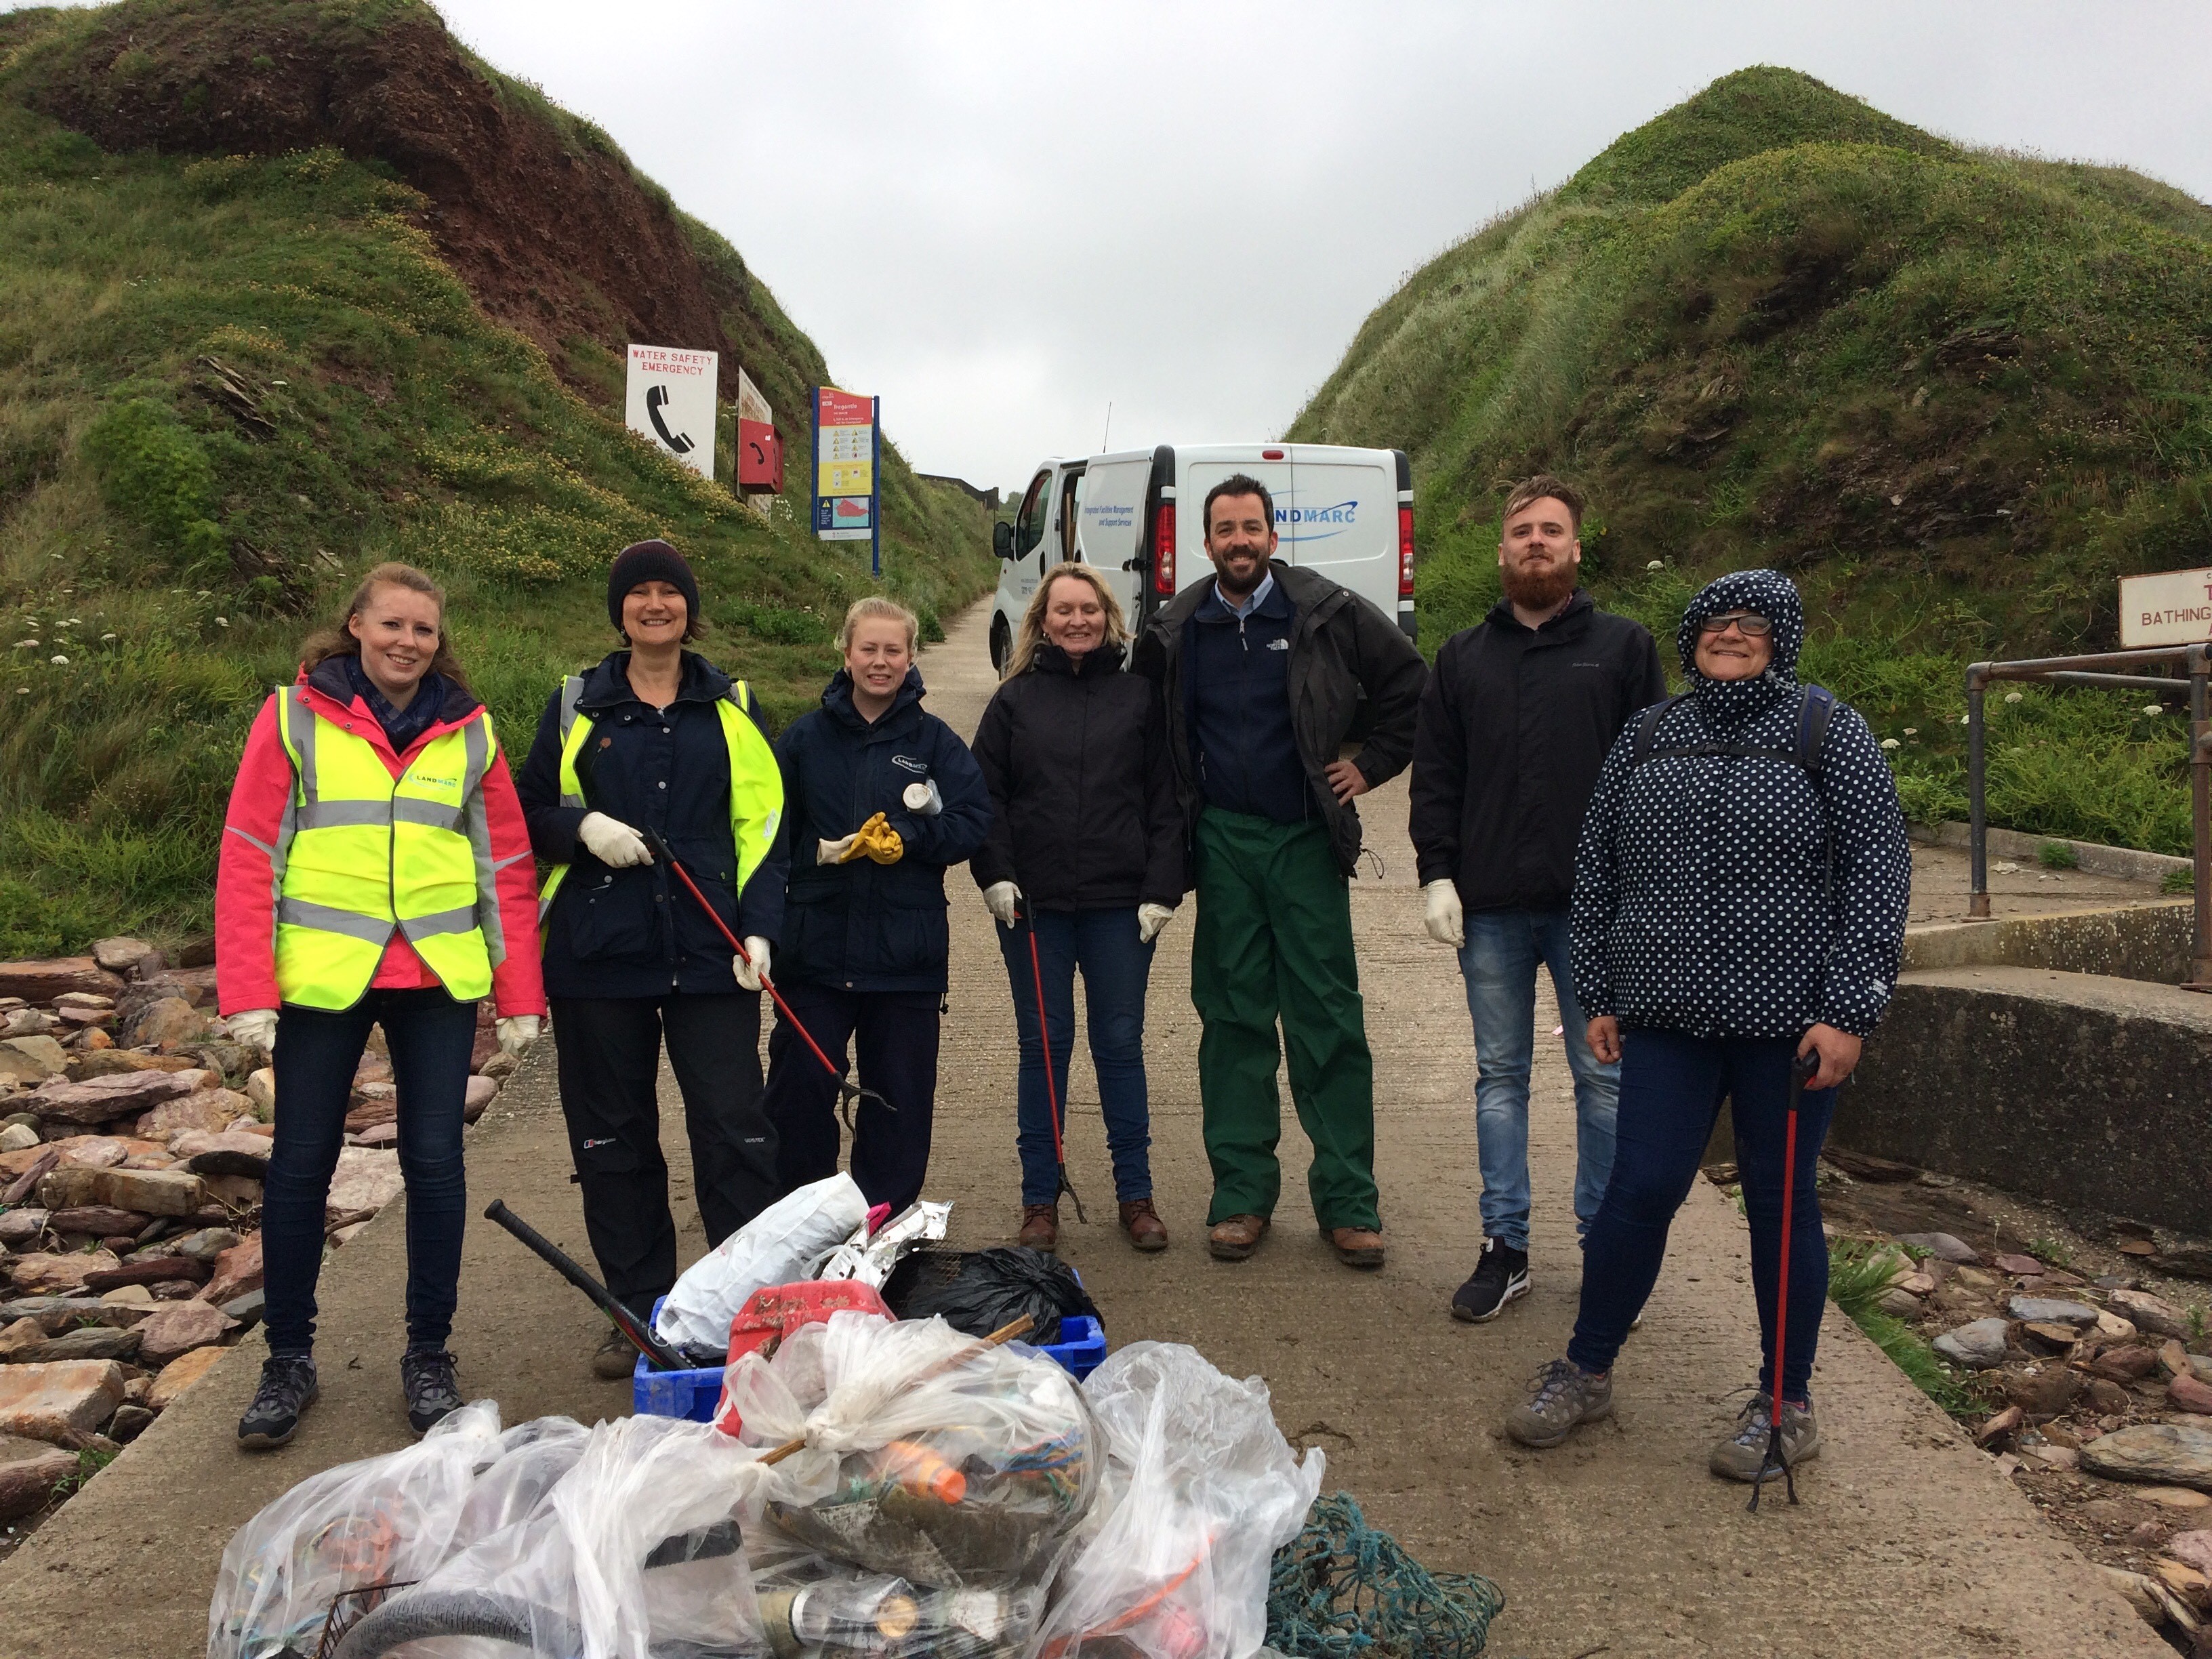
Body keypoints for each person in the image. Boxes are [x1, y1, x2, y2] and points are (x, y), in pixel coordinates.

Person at [1503, 568, 1910, 1482]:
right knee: (1639, 1192)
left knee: (1780, 1207)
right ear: (1690, 640)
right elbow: (1598, 866)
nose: (1732, 635)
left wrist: (1849, 1012)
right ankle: (1587, 1369)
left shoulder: (1826, 731)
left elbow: (1878, 875)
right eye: (1715, 624)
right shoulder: (1648, 735)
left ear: (1783, 637)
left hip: (1791, 1032)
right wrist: (1601, 992)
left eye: (1753, 625)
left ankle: (1785, 1404)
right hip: (1668, 1022)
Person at [216, 562, 545, 1448]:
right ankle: (288, 1361)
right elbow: (250, 851)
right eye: (392, 625)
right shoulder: (292, 719)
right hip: (324, 982)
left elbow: (506, 868)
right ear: (355, 625)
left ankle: (428, 1356)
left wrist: (520, 998)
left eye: (424, 631)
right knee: (298, 1168)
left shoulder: (470, 734)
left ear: (441, 644)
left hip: (437, 982)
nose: (407, 642)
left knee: (436, 1167)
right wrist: (246, 989)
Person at [1132, 472, 1427, 1269]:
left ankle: (1349, 1203)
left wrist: (1368, 765)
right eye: (1225, 529)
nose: (1240, 541)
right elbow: (1142, 732)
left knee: (1327, 1019)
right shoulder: (1175, 627)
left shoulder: (1324, 612)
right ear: (1206, 542)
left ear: (1271, 534)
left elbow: (1411, 687)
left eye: (1252, 527)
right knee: (1232, 1021)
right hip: (1223, 841)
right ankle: (1240, 1198)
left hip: (1302, 840)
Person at [517, 539, 789, 1379]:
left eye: (670, 592)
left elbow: (768, 826)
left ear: (689, 608)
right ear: (620, 611)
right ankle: (640, 1311)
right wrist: (580, 830)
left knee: (735, 1130)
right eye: (639, 594)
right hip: (599, 959)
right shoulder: (573, 706)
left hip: (712, 955)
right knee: (613, 1141)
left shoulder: (734, 704)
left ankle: (745, 1308)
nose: (655, 605)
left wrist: (760, 929)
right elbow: (523, 811)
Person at [1409, 476, 1666, 1324]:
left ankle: (1604, 1244)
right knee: (1498, 1078)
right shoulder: (1460, 659)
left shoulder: (1625, 650)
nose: (1536, 544)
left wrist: (1647, 891)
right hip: (1489, 907)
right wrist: (1436, 872)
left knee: (1602, 1080)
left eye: (1552, 531)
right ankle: (1505, 1247)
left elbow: (1656, 781)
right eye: (1522, 532)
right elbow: (1437, 778)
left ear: (1577, 547)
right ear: (1501, 550)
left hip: (1596, 914)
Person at [970, 564, 1183, 1254]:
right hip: (1035, 911)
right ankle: (1040, 1200)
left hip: (1121, 908)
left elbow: (1165, 800)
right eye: (1062, 611)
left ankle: (1136, 1194)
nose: (1076, 621)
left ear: (1108, 617)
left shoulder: (1140, 698)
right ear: (1042, 620)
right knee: (1045, 1046)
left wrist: (1162, 887)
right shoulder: (1013, 703)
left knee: (1119, 1045)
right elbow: (986, 799)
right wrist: (995, 874)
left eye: (1088, 609)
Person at [762, 596, 990, 1213]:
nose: (881, 662)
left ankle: (881, 1232)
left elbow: (974, 821)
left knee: (900, 1100)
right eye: (869, 649)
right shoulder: (804, 740)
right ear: (846, 653)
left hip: (905, 955)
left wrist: (911, 840)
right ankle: (804, 1225)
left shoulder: (933, 741)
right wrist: (820, 853)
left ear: (912, 656)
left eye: (894, 650)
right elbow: (765, 834)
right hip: (816, 952)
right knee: (800, 1090)